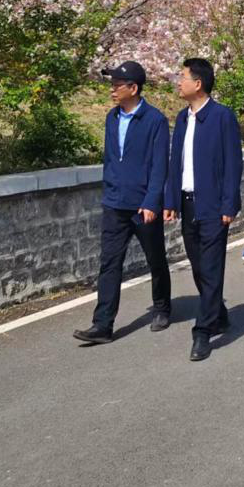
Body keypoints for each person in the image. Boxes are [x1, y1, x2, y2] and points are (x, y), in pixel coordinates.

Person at [73, 61, 172, 345]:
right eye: (112, 85)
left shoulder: (154, 120)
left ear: (134, 88)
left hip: (143, 205)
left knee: (155, 259)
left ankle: (162, 307)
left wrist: (153, 201)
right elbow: (109, 159)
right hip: (115, 203)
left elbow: (158, 166)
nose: (113, 90)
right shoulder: (111, 118)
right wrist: (110, 190)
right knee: (109, 263)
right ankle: (102, 325)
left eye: (117, 85)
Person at [164, 58, 243, 362]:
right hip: (187, 203)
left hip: (213, 206)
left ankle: (202, 331)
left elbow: (233, 164)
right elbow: (176, 162)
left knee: (210, 268)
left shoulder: (222, 117)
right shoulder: (183, 118)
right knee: (199, 268)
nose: (178, 82)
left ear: (198, 83)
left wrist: (229, 204)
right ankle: (219, 314)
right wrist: (170, 200)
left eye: (182, 77)